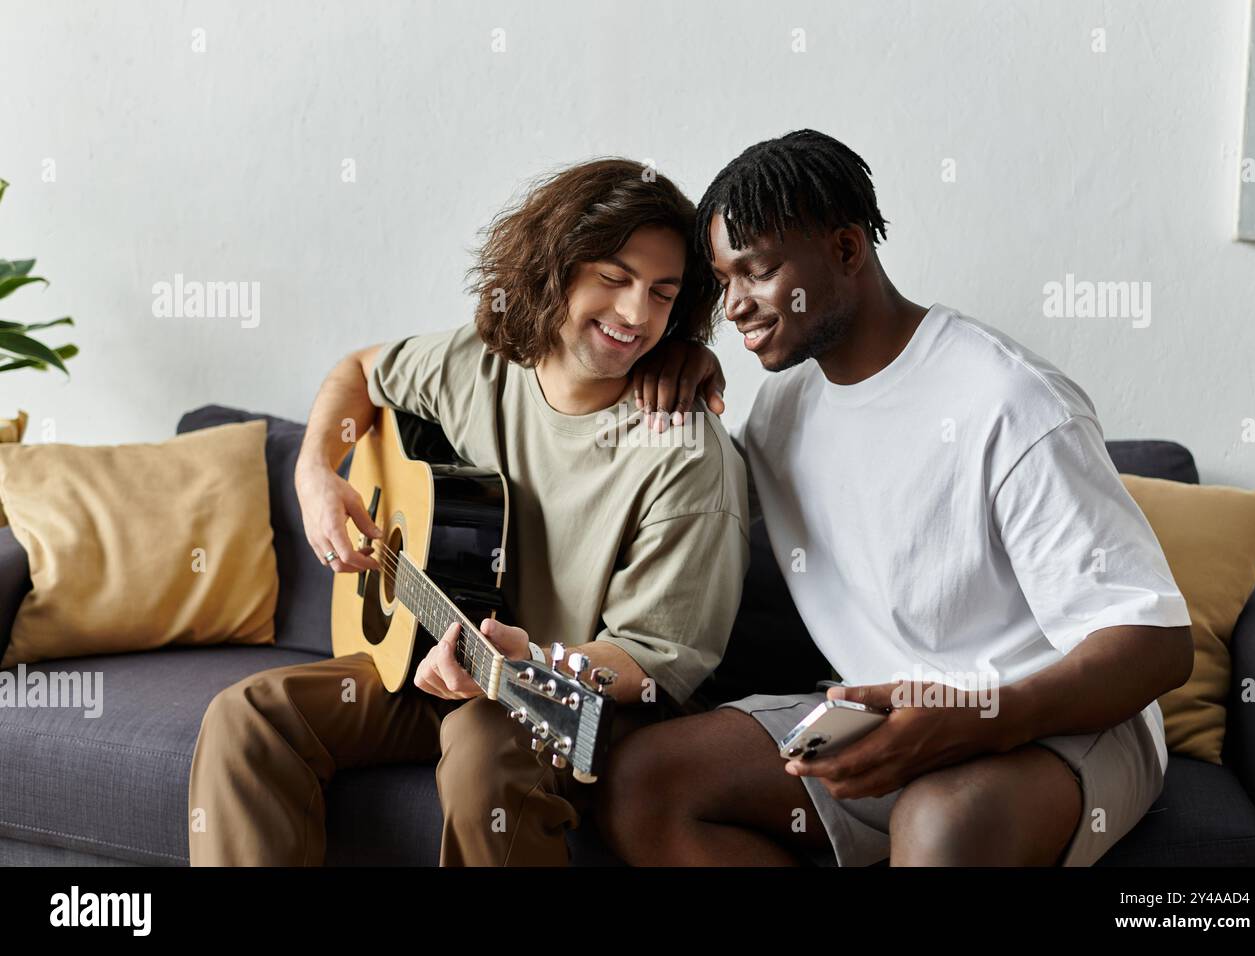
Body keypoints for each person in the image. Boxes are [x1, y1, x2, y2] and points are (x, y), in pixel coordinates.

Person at [604, 129, 1194, 866]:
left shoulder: (1011, 403)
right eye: (724, 282)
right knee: (642, 782)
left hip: (1062, 720)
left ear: (848, 252)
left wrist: (972, 719)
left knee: (942, 823)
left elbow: (1158, 647)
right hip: (891, 716)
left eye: (756, 272)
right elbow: (691, 520)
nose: (737, 307)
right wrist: (677, 362)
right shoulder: (783, 411)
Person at [188, 158, 749, 866]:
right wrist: (314, 474)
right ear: (555, 269)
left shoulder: (685, 455)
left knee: (484, 741)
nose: (637, 314)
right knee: (249, 719)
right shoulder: (482, 363)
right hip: (447, 660)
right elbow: (361, 371)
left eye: (662, 293)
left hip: (581, 707)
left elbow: (651, 664)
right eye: (613, 278)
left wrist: (530, 662)